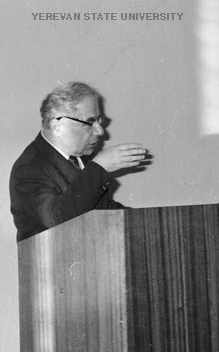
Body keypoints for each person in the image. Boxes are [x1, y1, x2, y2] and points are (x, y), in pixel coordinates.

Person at [10, 81, 147, 241]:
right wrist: (99, 168)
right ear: (57, 126)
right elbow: (58, 219)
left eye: (99, 120)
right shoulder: (29, 168)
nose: (100, 131)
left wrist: (150, 222)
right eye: (90, 122)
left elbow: (104, 211)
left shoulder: (82, 158)